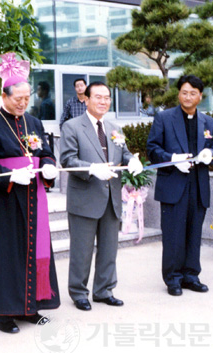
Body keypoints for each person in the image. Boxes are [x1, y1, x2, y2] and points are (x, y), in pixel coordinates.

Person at [0, 53, 60, 334]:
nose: (23, 103)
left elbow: (46, 152)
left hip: (34, 196)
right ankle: (3, 314)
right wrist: (9, 176)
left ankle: (31, 308)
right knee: (8, 254)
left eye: (26, 98)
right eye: (17, 99)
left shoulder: (34, 123)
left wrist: (48, 166)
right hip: (6, 199)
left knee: (35, 251)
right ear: (3, 95)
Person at [60, 82, 142, 311]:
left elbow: (123, 152)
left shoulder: (115, 128)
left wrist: (132, 160)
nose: (103, 101)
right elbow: (67, 159)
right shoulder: (72, 126)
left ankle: (104, 290)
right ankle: (78, 292)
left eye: (107, 97)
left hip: (111, 197)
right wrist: (92, 168)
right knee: (81, 250)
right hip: (85, 197)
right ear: (86, 99)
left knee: (109, 249)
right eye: (98, 97)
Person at [146, 75, 213, 296]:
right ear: (179, 94)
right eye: (184, 92)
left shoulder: (209, 123)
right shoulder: (164, 118)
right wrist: (172, 159)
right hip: (173, 184)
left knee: (194, 233)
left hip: (198, 186)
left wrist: (210, 154)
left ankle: (191, 275)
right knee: (173, 234)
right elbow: (152, 149)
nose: (188, 97)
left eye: (193, 93)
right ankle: (173, 278)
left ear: (200, 96)